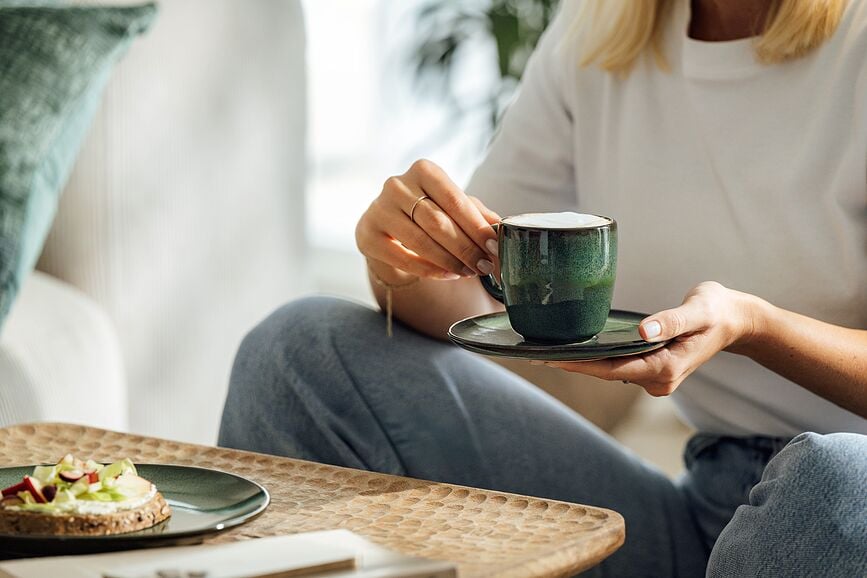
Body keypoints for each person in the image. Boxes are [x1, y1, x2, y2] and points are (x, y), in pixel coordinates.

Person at [220, 0, 867, 575]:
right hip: (706, 508)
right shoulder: (600, 31)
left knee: (840, 484)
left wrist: (758, 327)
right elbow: (472, 300)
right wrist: (403, 260)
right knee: (299, 351)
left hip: (845, 508)